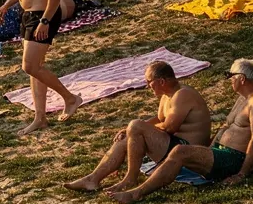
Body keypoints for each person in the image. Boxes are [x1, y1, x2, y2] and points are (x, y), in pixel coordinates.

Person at [108, 59, 253, 204]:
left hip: (235, 159)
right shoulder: (245, 99)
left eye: (230, 76)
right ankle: (117, 179)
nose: (228, 80)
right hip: (221, 154)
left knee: (179, 152)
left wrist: (242, 174)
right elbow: (226, 129)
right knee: (177, 150)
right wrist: (210, 149)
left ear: (241, 79)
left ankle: (137, 193)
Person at [66, 61, 212, 193]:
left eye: (149, 82)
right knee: (128, 134)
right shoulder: (167, 95)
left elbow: (169, 127)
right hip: (173, 144)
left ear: (161, 81)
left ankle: (130, 178)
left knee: (135, 125)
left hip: (187, 150)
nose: (147, 86)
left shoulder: (183, 95)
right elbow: (160, 119)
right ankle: (93, 179)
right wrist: (131, 130)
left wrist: (137, 128)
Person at [12, 0, 82, 134]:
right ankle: (40, 117)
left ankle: (70, 98)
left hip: (43, 15)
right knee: (35, 69)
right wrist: (5, 6)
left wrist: (45, 20)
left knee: (29, 66)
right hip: (29, 14)